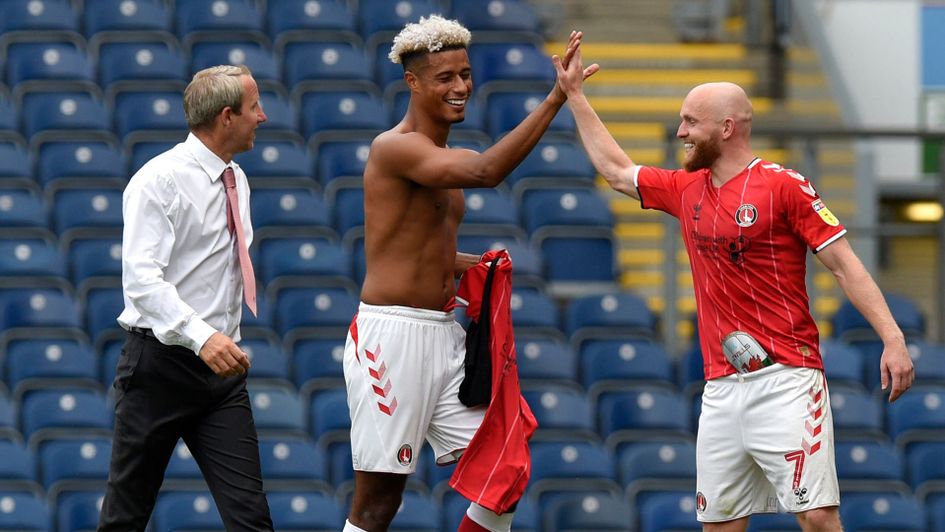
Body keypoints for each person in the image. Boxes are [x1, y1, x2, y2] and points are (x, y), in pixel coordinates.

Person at [554, 51, 915, 530]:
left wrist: (892, 338)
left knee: (818, 517)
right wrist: (575, 96)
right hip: (721, 387)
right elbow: (617, 171)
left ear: (726, 128)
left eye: (690, 122)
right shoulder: (686, 188)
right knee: (719, 524)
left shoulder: (786, 186)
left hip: (787, 378)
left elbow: (845, 265)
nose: (680, 132)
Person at [341, 15, 587, 532]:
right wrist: (555, 99)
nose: (461, 87)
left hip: (443, 335)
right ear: (412, 82)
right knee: (378, 503)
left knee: (505, 471)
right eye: (445, 77)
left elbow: (421, 248)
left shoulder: (437, 155)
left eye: (465, 74)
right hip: (392, 337)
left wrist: (477, 268)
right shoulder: (396, 147)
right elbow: (486, 172)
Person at [98, 64, 273, 531]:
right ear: (226, 117)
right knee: (125, 519)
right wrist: (202, 337)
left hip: (221, 377)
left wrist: (219, 341)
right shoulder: (159, 180)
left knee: (252, 521)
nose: (264, 117)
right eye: (255, 107)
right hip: (160, 368)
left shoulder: (238, 178)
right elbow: (141, 282)